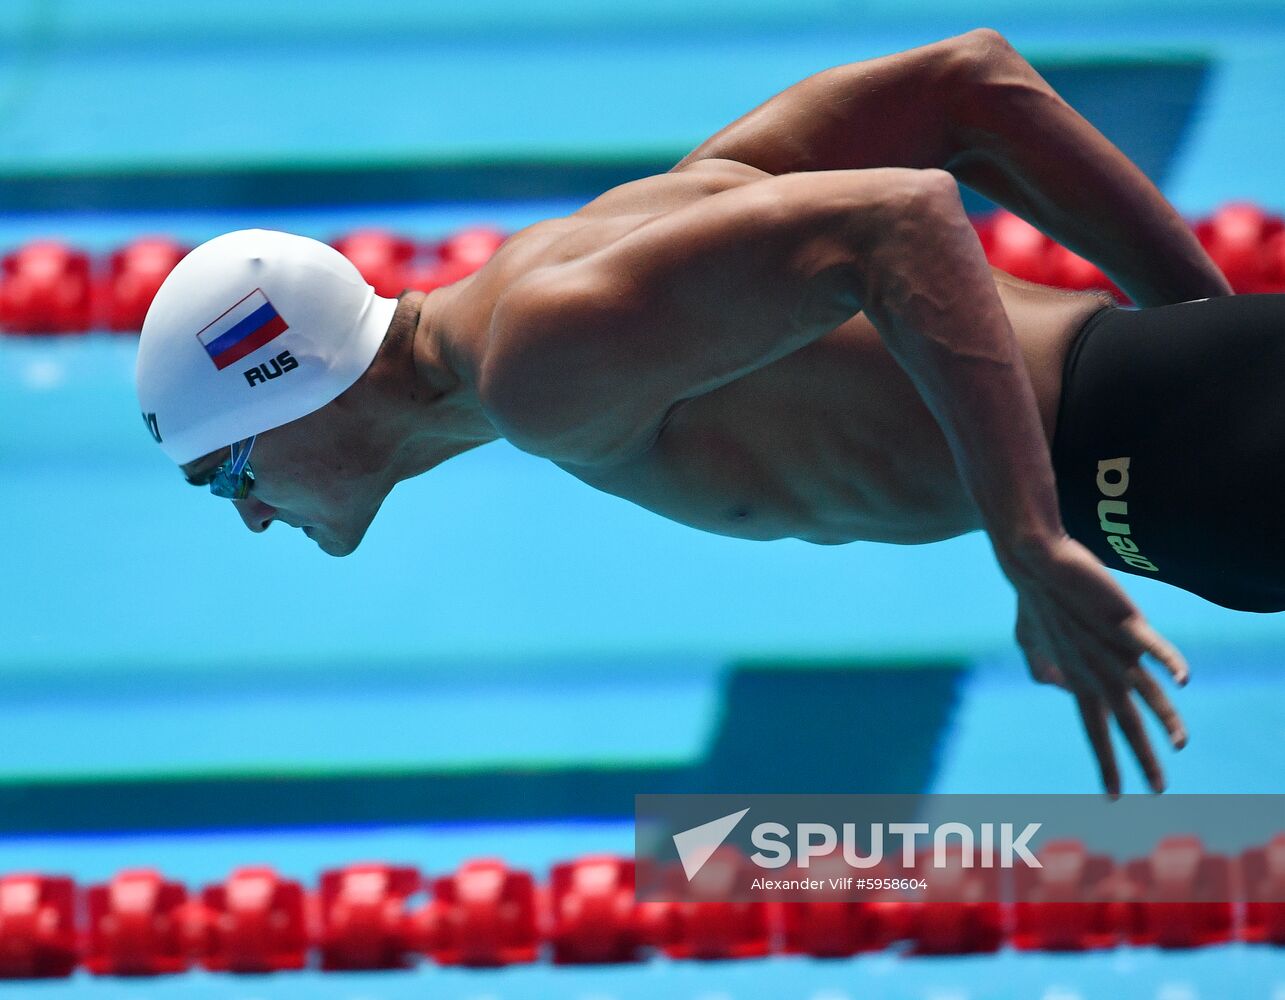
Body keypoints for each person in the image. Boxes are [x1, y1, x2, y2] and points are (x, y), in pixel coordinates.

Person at [135, 30, 1245, 797]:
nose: (247, 515)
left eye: (226, 473)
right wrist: (1206, 328)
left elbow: (898, 222)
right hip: (1175, 435)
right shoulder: (581, 263)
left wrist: (1030, 539)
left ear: (292, 390)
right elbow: (967, 89)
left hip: (1175, 453)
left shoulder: (537, 361)